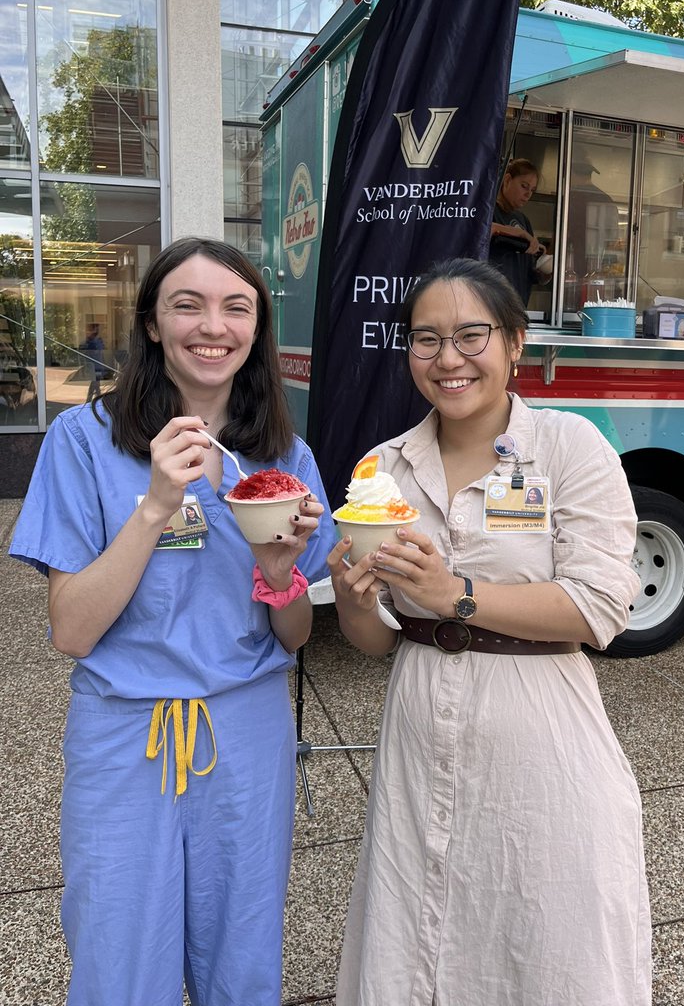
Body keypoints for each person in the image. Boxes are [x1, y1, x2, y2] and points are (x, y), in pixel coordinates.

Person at [9, 237, 335, 1005]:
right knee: (119, 956)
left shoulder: (285, 458)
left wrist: (282, 573)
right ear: (153, 323)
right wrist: (156, 505)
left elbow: (293, 640)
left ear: (255, 327)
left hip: (247, 732)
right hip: (126, 734)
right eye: (186, 305)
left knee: (243, 954)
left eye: (235, 307)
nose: (211, 326)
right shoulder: (83, 442)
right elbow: (72, 632)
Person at [328, 257, 650, 1005]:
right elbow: (378, 639)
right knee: (419, 934)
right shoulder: (384, 468)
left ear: (514, 344)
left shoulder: (569, 448)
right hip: (416, 726)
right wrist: (351, 600)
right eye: (426, 339)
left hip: (541, 730)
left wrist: (455, 593)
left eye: (471, 335)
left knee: (543, 940)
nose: (448, 359)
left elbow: (601, 608)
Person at [488, 157, 551, 307]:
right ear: (508, 180)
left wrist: (545, 272)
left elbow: (530, 272)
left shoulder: (523, 220)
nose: (528, 194)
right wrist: (520, 234)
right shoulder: (488, 211)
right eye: (524, 186)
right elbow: (484, 230)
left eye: (532, 190)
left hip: (518, 308)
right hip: (491, 303)